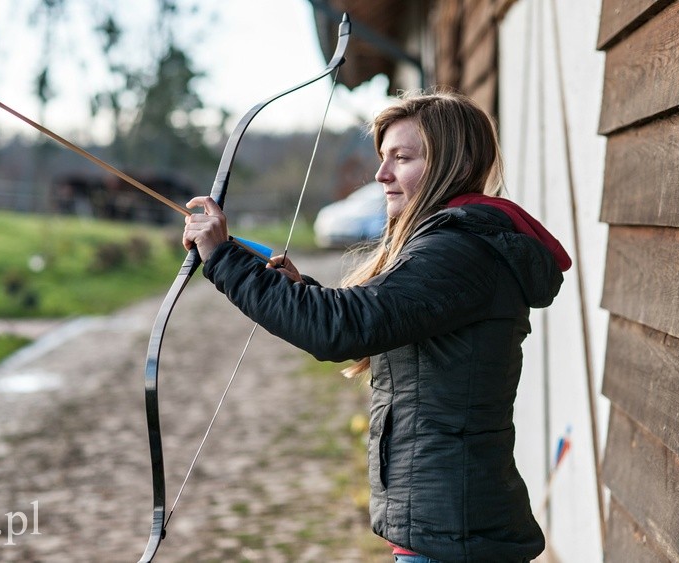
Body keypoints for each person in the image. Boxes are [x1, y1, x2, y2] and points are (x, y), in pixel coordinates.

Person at [182, 90, 571, 563]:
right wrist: (298, 288)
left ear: (453, 162)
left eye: (401, 158)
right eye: (382, 158)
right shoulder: (456, 245)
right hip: (448, 529)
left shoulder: (459, 251)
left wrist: (224, 259)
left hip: (454, 537)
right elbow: (380, 315)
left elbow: (343, 328)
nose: (381, 174)